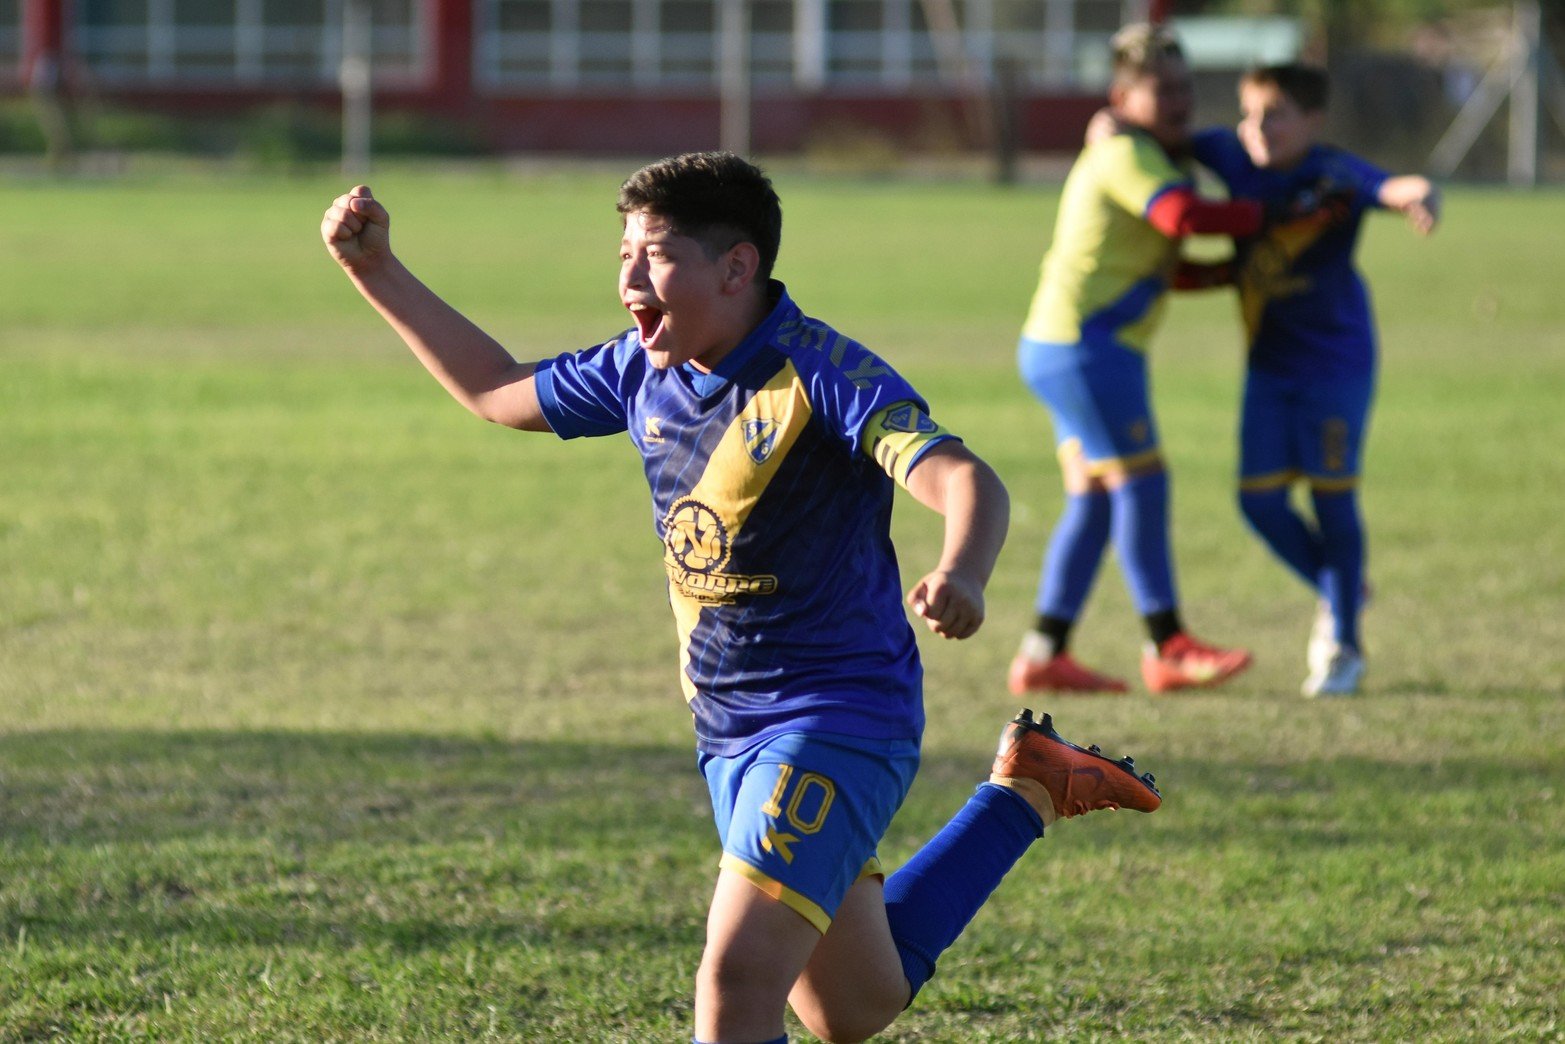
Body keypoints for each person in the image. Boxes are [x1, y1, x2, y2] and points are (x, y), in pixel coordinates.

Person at [321, 151, 1163, 1044]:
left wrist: (962, 569)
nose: (629, 277)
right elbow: (496, 389)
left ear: (737, 266)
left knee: (733, 984)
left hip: (837, 715)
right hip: (727, 730)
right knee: (850, 1008)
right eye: (622, 254)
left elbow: (964, 478)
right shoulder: (641, 370)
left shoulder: (824, 373)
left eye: (655, 254)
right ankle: (1029, 788)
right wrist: (374, 269)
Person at [1010, 23, 1269, 698]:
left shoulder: (1144, 149)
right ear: (1122, 97)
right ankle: (1168, 645)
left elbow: (1155, 265)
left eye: (1186, 87)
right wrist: (1268, 213)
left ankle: (1042, 653)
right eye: (1163, 90)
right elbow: (1181, 217)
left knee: (1094, 502)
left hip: (1059, 345)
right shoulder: (1125, 154)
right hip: (1087, 353)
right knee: (1142, 485)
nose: (1181, 100)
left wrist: (1223, 276)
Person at [1188, 64, 1440, 696]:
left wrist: (1418, 193)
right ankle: (1344, 588)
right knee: (1259, 502)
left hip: (1336, 365)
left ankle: (1344, 646)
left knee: (1333, 502)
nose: (1256, 128)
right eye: (1249, 114)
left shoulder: (1334, 174)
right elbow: (1166, 134)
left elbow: (1392, 185)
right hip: (1269, 367)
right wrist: (1112, 124)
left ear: (1312, 121)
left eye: (1274, 115)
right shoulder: (1234, 154)